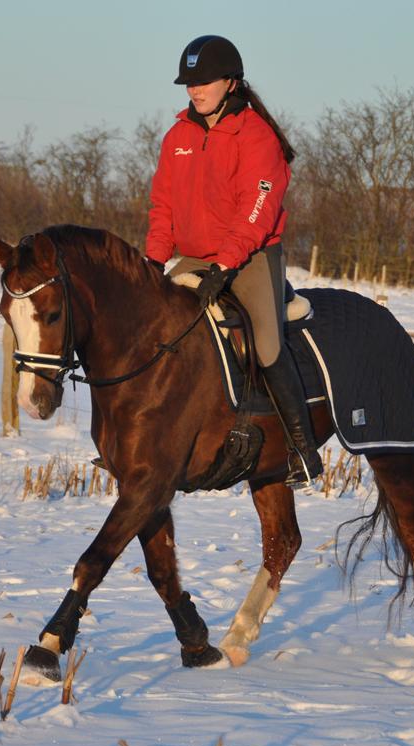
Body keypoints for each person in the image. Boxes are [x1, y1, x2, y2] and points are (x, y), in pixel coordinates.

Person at [144, 34, 323, 485]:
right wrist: (152, 262)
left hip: (250, 258)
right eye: (188, 83)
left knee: (265, 344)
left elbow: (256, 210)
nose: (194, 90)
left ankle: (301, 450)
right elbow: (163, 205)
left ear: (230, 81)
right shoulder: (177, 136)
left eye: (202, 81)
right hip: (192, 258)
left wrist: (225, 265)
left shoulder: (256, 136)